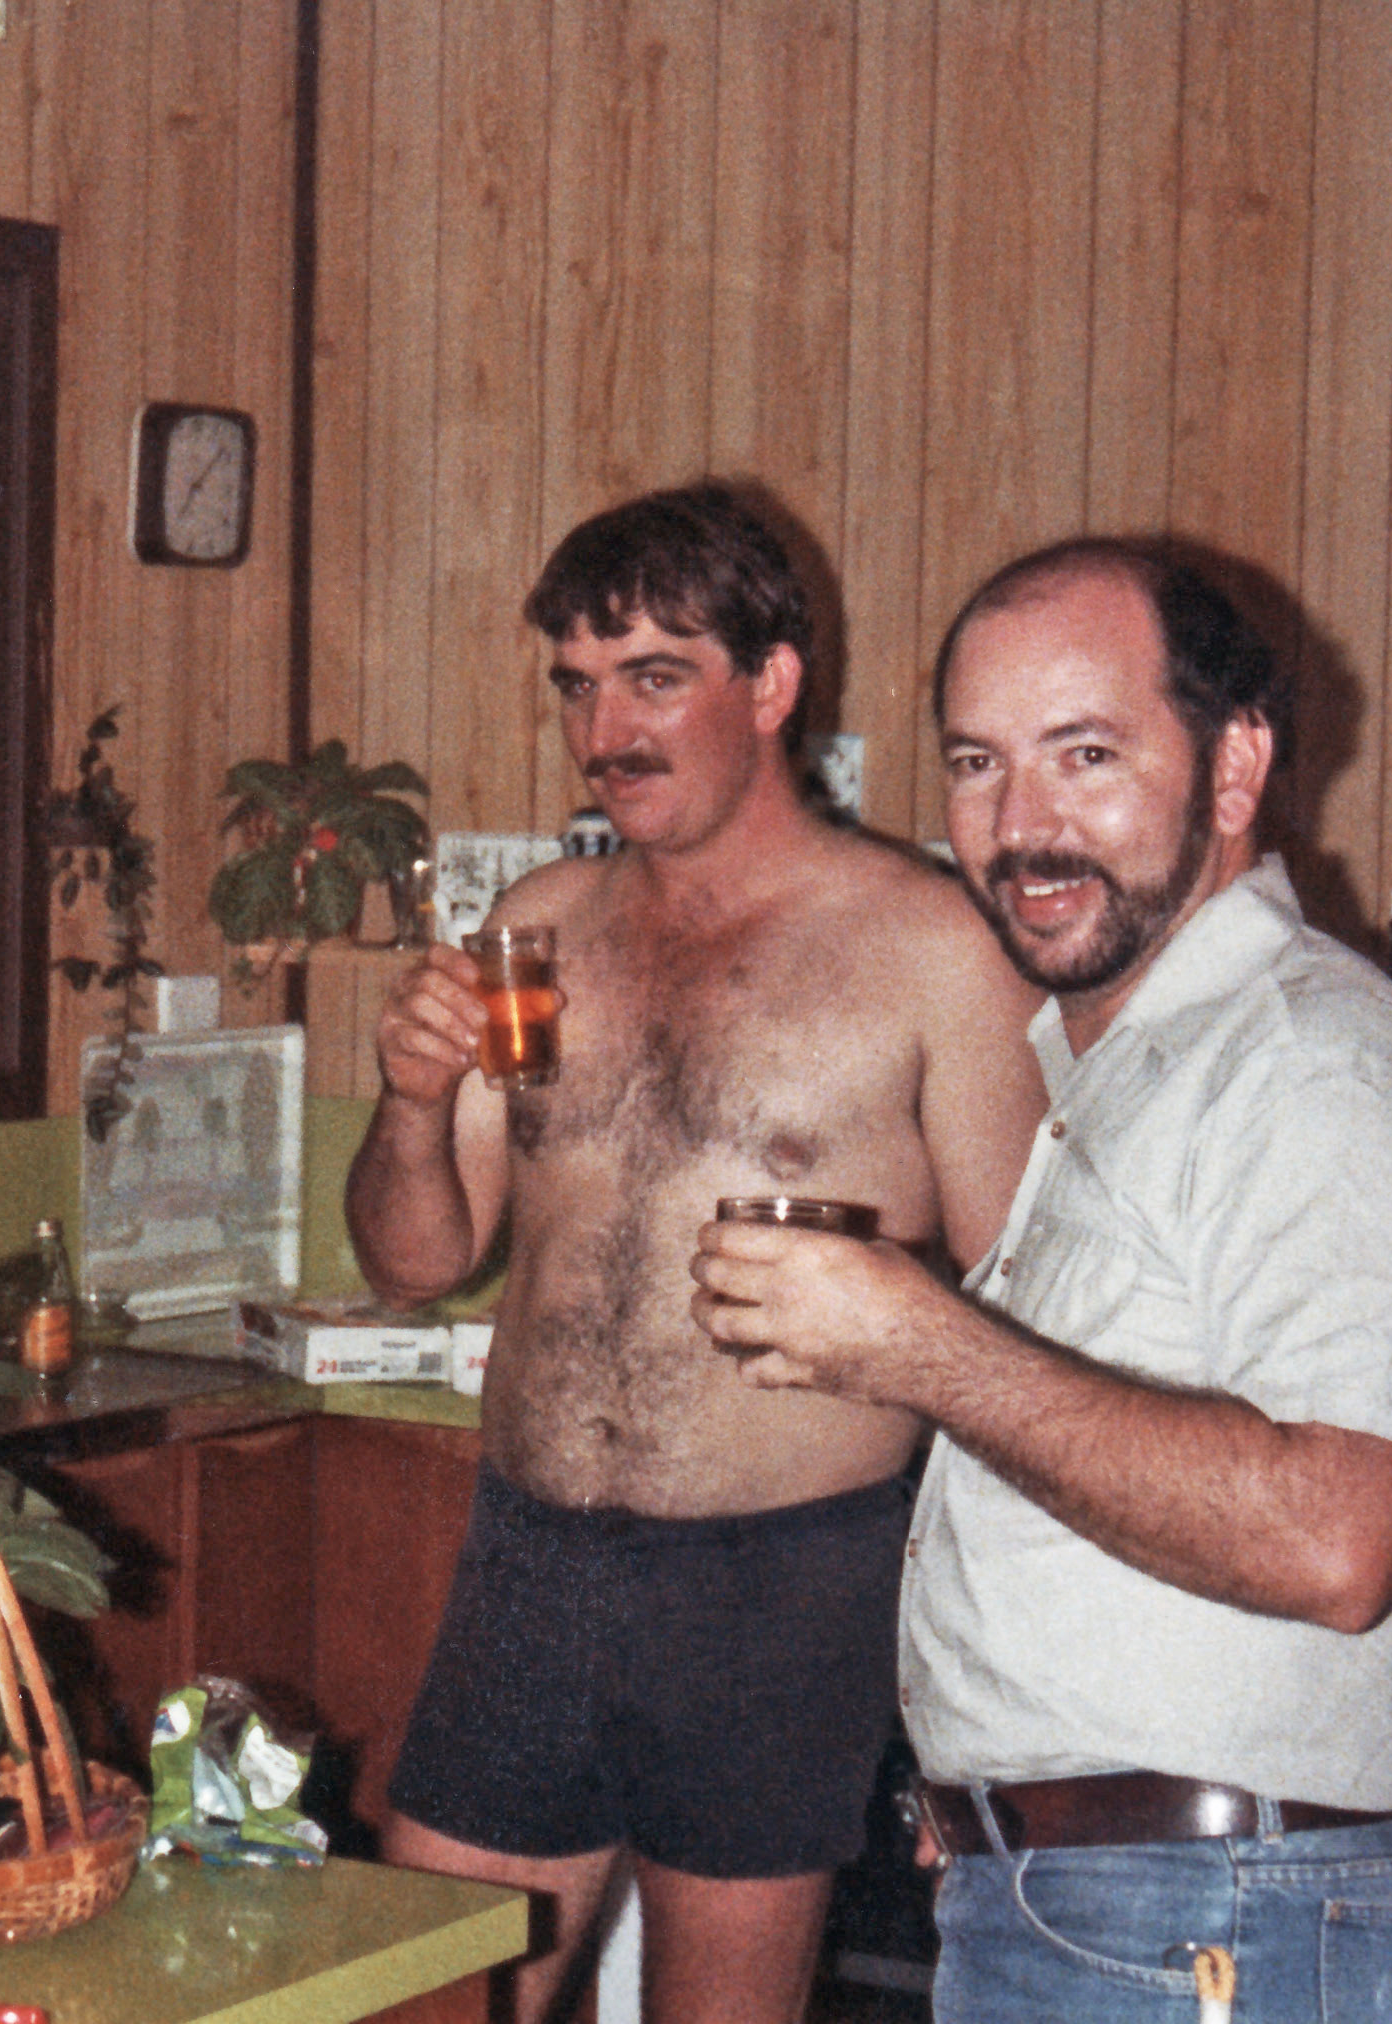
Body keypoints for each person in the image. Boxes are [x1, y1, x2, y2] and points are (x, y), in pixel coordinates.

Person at [689, 538, 1392, 2022]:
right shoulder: (1128, 1069)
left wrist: (925, 1344)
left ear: (1234, 765)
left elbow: (1336, 1538)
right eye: (978, 763)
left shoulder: (1318, 1065)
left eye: (1085, 755)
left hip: (1210, 1925)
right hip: (1100, 1906)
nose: (1022, 825)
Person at [347, 482, 1048, 2024]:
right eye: (578, 687)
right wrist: (411, 1102)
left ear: (772, 682)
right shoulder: (539, 924)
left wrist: (992, 1707)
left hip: (779, 1590)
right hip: (530, 1563)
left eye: (656, 677)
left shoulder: (935, 949)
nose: (606, 732)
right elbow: (414, 1264)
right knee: (421, 2000)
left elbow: (1032, 1335)